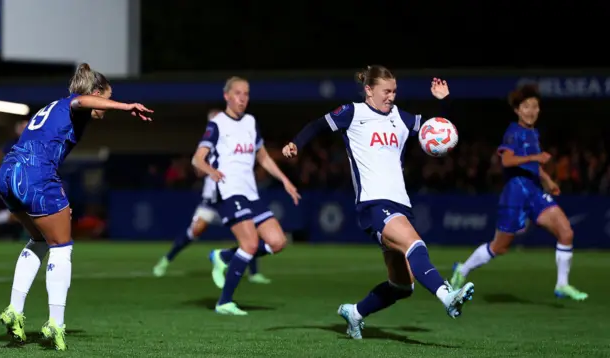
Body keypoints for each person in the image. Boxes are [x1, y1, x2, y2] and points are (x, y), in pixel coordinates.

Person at [282, 66, 475, 339]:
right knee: (415, 244)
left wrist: (444, 102)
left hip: (400, 203)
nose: (391, 97)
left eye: (394, 91)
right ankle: (447, 296)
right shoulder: (353, 113)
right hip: (373, 203)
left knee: (402, 285)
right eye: (386, 91)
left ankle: (355, 313)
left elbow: (441, 131)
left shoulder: (401, 118)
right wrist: (296, 144)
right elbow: (317, 125)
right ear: (369, 90)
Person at [0, 63, 153, 350]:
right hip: (34, 173)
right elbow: (81, 100)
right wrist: (125, 106)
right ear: (96, 93)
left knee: (40, 239)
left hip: (7, 173)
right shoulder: (74, 104)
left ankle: (14, 310)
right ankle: (56, 322)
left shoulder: (53, 106)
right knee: (62, 246)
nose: (105, 107)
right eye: (106, 98)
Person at [450, 84, 588, 301]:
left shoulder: (533, 133)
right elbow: (507, 160)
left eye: (535, 106)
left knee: (566, 233)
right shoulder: (513, 132)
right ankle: (463, 269)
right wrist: (536, 158)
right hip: (515, 194)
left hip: (534, 191)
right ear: (517, 110)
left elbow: (534, 164)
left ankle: (562, 284)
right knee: (500, 247)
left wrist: (548, 180)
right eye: (526, 106)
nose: (531, 110)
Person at [192, 76, 300, 315]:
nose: (242, 98)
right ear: (227, 96)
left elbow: (262, 157)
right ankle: (224, 302)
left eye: (246, 94)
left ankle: (223, 256)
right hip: (229, 192)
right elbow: (197, 158)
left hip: (251, 193)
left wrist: (285, 180)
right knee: (250, 244)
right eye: (238, 93)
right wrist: (211, 170)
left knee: (277, 242)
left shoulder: (251, 122)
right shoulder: (217, 124)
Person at [152, 109, 271, 284]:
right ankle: (166, 260)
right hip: (212, 198)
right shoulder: (207, 145)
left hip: (233, 195)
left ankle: (253, 272)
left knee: (250, 232)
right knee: (196, 229)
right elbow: (198, 169)